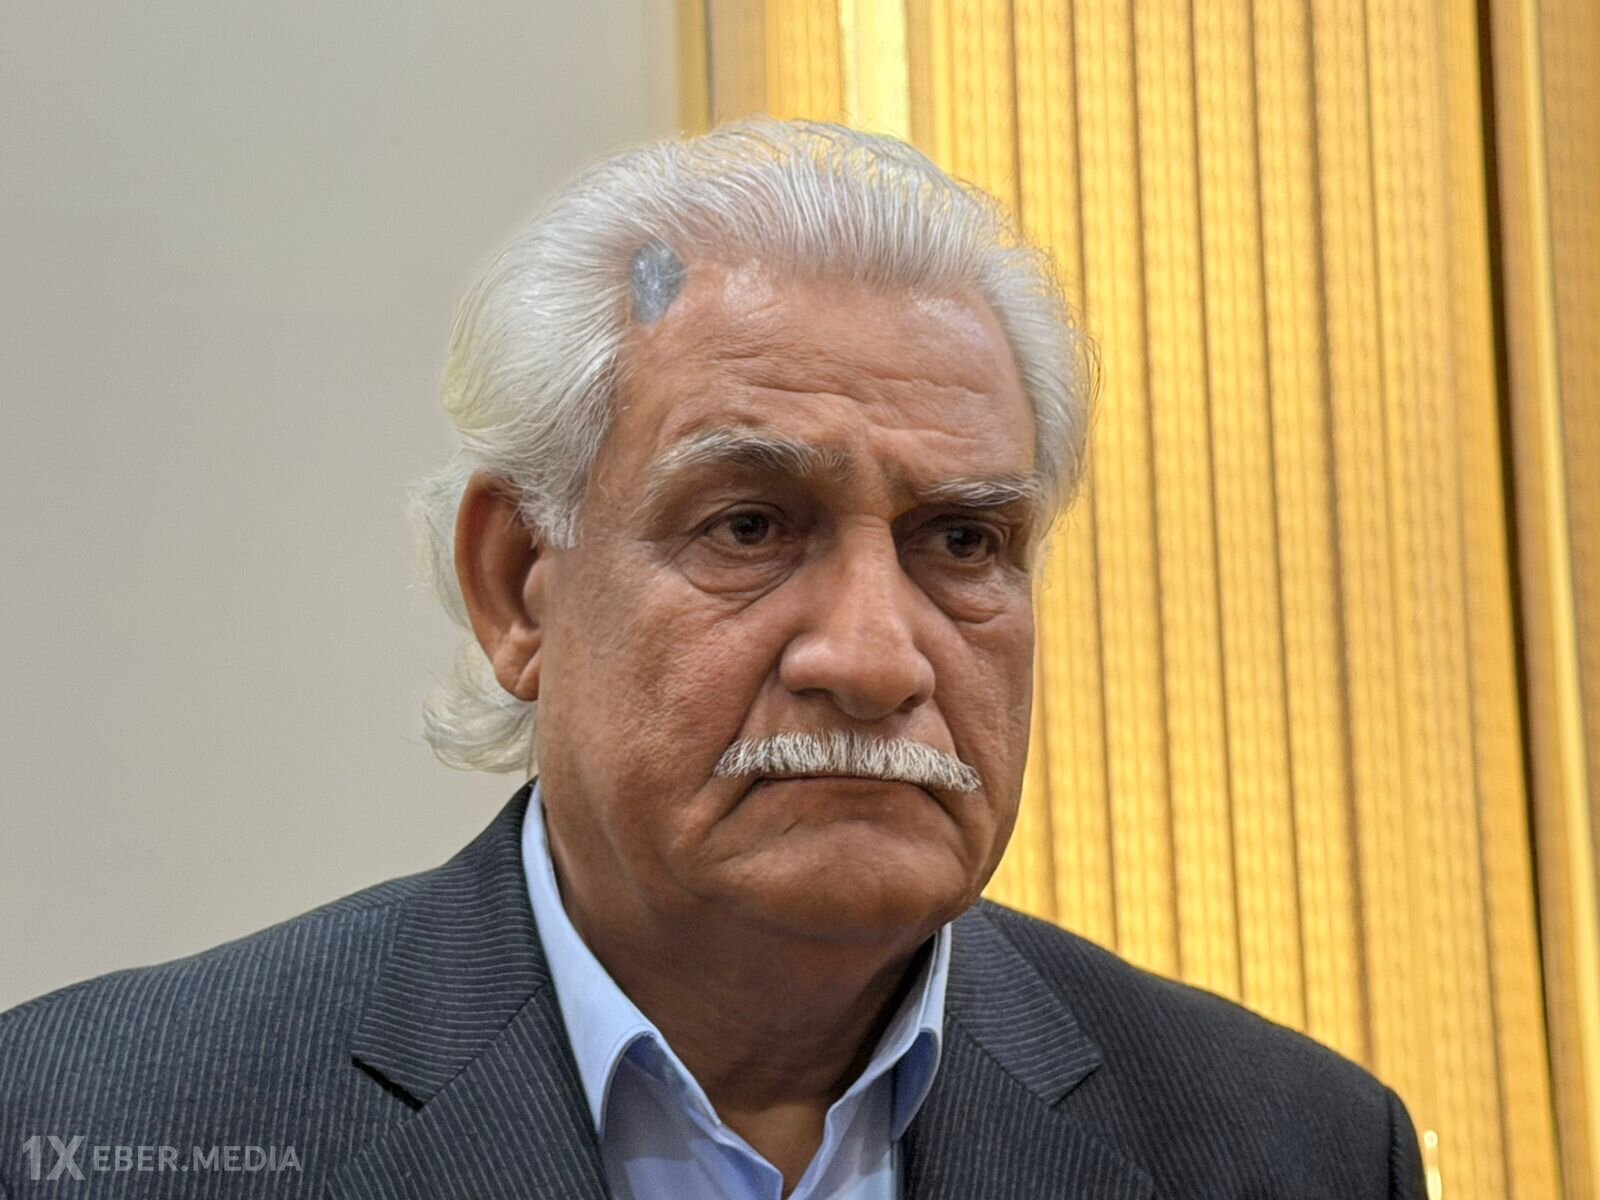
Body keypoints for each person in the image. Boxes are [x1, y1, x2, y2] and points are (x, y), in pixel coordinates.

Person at [0, 118, 1423, 1199]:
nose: (874, 658)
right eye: (749, 526)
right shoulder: (88, 1128)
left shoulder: (1295, 1149)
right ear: (518, 587)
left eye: (961, 542)